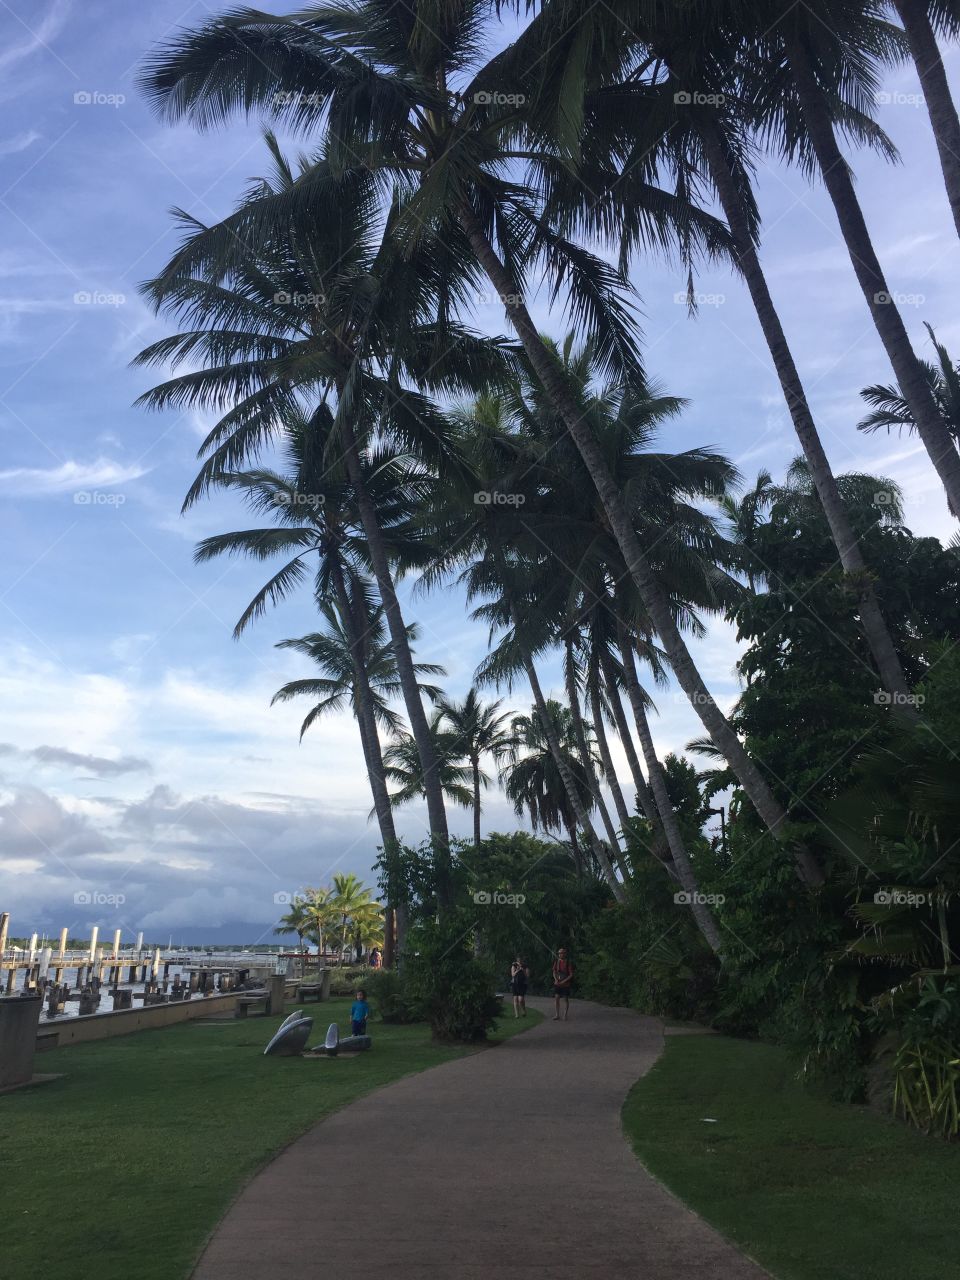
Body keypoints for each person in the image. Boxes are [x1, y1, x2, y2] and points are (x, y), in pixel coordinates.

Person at [552, 948, 574, 1021]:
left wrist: (564, 981)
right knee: (557, 998)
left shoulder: (568, 963)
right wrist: (555, 979)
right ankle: (557, 1014)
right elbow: (554, 972)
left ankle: (565, 1015)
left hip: (566, 984)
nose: (560, 954)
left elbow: (571, 975)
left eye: (562, 953)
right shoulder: (556, 962)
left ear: (565, 954)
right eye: (559, 953)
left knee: (565, 999)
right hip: (558, 983)